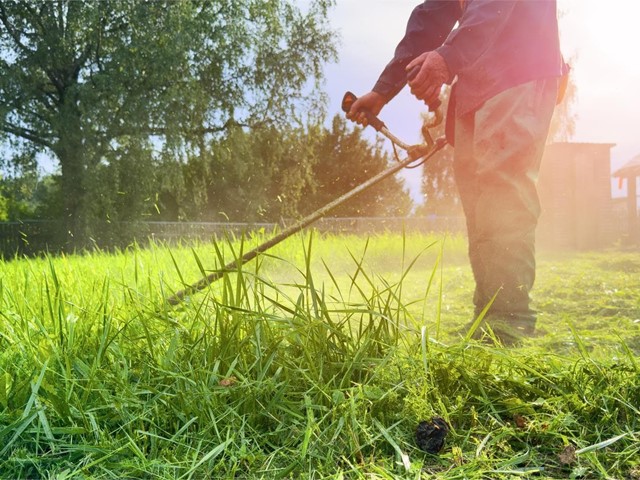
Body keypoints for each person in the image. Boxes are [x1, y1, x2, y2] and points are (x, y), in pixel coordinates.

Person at [346, 0, 567, 345]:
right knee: (476, 200)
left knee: (502, 192)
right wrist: (383, 89)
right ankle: (488, 315)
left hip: (519, 67)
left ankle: (510, 320)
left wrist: (448, 57)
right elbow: (432, 14)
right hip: (475, 80)